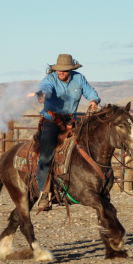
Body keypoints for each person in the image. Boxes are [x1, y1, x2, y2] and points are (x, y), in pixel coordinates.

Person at [35, 54, 100, 211]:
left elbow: (91, 92)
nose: (61, 72)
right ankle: (44, 192)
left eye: (64, 70)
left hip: (71, 122)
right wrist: (42, 95)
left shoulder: (79, 79)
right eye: (58, 70)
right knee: (46, 154)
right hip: (52, 121)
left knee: (87, 147)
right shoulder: (50, 80)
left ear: (71, 70)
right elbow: (45, 90)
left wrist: (93, 100)